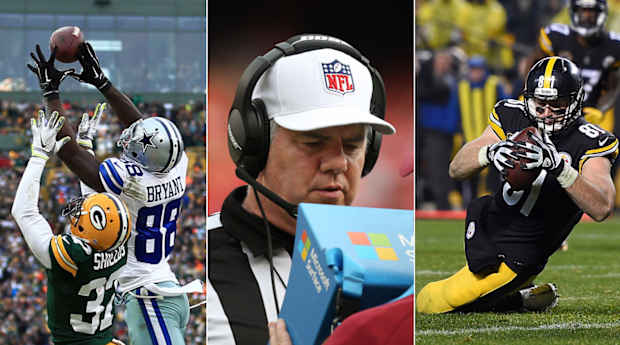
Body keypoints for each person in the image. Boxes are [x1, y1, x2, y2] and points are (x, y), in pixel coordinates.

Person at [207, 34, 396, 345]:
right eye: (313, 142)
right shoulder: (204, 261)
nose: (338, 163)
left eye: (353, 145)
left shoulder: (392, 259)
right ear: (255, 142)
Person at [27, 43, 202, 345]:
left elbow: (71, 154)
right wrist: (103, 83)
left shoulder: (131, 181)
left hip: (150, 300)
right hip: (158, 286)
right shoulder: (176, 164)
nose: (131, 138)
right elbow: (143, 129)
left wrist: (51, 93)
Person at [417, 56, 617, 314]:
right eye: (540, 104)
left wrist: (559, 168)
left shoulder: (591, 141)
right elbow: (456, 168)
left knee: (430, 302)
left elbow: (602, 207)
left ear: (576, 101)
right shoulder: (512, 113)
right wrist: (488, 152)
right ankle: (519, 297)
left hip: (520, 253)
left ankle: (519, 298)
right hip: (488, 219)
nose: (546, 113)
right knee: (460, 299)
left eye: (557, 105)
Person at [11, 109, 131, 345]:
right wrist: (84, 148)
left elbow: (23, 212)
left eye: (83, 215)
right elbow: (98, 208)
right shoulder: (118, 245)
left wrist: (39, 155)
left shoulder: (73, 255)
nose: (78, 212)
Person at [529, 0, 620, 133]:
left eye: (592, 12)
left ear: (602, 14)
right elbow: (532, 69)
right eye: (583, 11)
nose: (587, 16)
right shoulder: (556, 36)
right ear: (574, 12)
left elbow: (613, 87)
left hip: (588, 112)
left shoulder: (614, 46)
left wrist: (600, 110)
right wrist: (532, 96)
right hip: (551, 107)